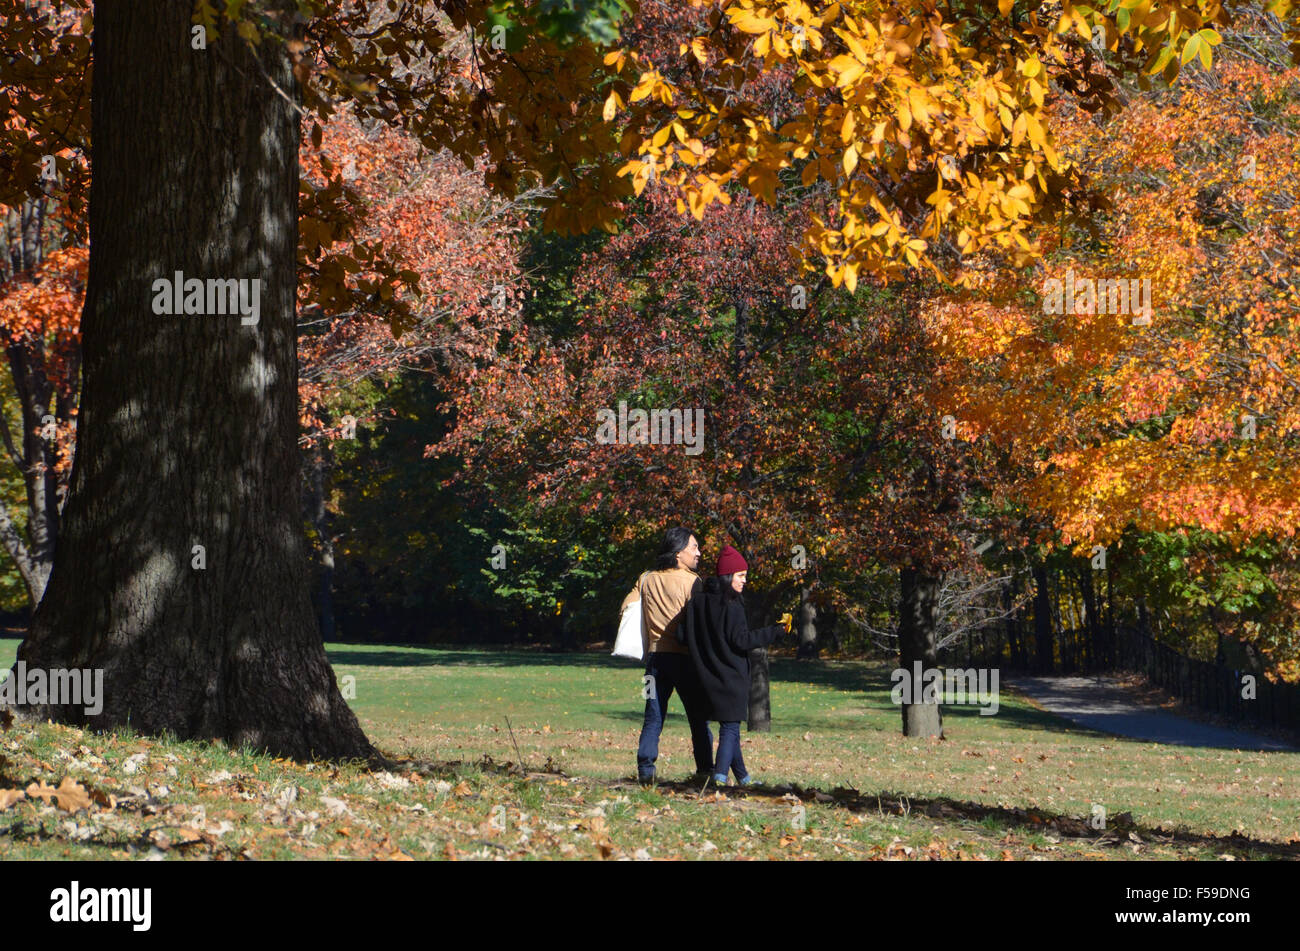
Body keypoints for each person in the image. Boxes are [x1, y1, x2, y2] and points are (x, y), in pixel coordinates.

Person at [678, 545, 792, 787]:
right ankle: (719, 778)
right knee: (730, 728)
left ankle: (743, 777)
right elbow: (742, 640)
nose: (744, 581)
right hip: (731, 676)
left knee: (731, 727)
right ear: (728, 576)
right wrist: (776, 631)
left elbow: (682, 634)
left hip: (704, 675)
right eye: (740, 575)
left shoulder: (697, 601)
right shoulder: (732, 604)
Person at [619, 527, 714, 785]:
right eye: (694, 547)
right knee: (697, 716)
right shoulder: (694, 582)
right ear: (678, 552)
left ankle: (646, 770)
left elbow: (627, 607)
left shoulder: (646, 578)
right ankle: (705, 770)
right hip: (686, 660)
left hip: (655, 660)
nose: (699, 552)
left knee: (653, 715)